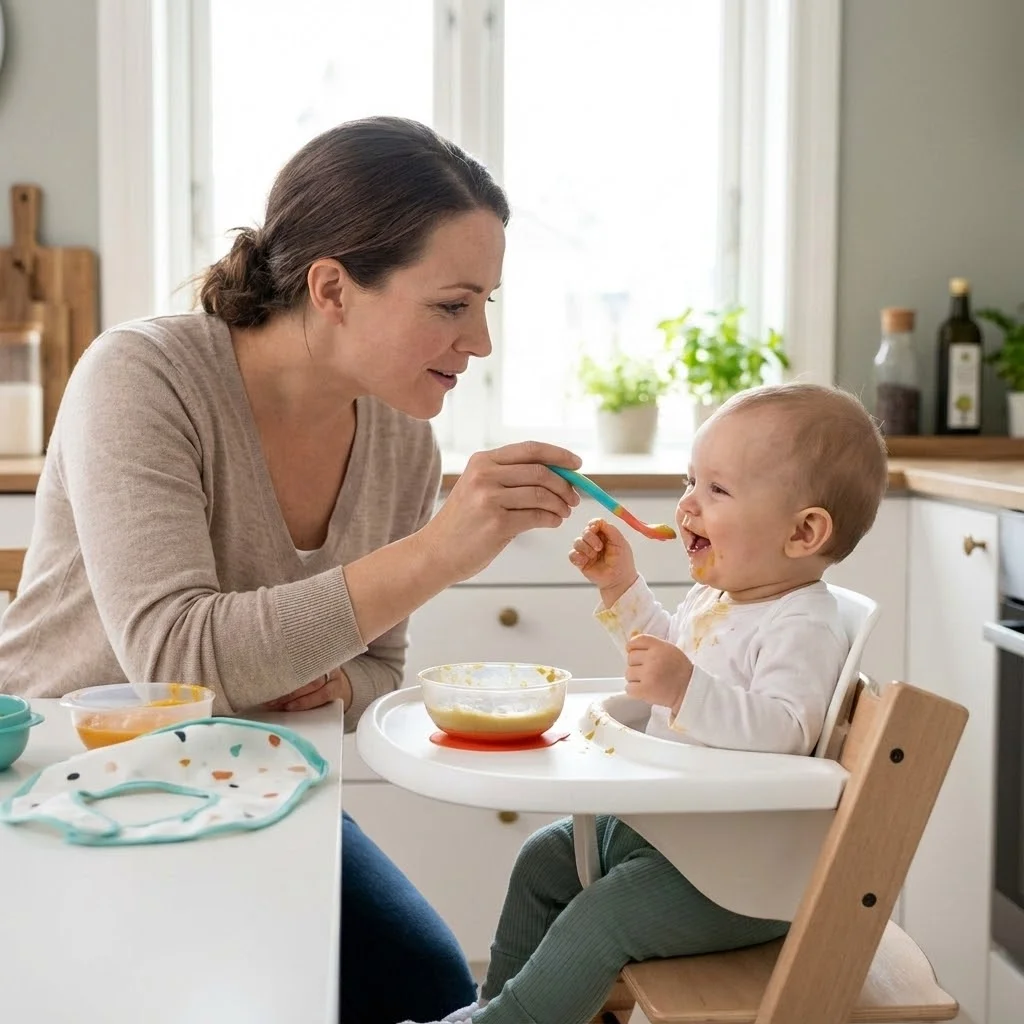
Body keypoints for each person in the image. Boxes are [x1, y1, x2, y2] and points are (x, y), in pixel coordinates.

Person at [0, 116, 584, 1024]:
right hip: (61, 792)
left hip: (247, 783)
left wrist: (300, 671)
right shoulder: (141, 377)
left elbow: (378, 669)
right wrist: (436, 553)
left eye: (486, 306)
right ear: (333, 288)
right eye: (450, 304)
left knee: (429, 988)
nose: (479, 343)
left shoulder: (402, 440)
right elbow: (175, 658)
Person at [409, 382, 890, 1024]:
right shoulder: (725, 598)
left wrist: (686, 688)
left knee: (603, 918)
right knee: (545, 860)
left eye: (717, 490)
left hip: (735, 873)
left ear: (803, 532)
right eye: (692, 481)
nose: (687, 503)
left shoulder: (803, 623)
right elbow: (667, 654)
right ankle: (493, 1007)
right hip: (672, 831)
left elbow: (786, 732)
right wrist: (622, 586)